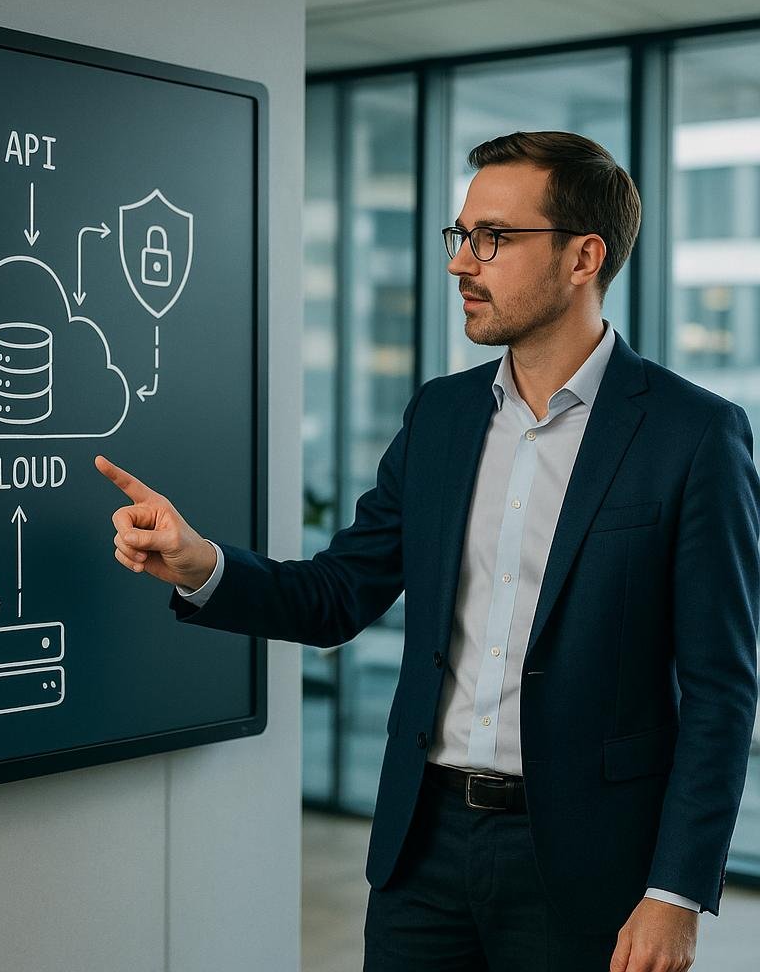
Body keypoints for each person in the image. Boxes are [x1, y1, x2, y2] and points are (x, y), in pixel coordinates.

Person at [94, 130, 760, 972]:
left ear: (583, 256)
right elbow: (339, 593)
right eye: (462, 235)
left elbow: (721, 690)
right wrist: (202, 565)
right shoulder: (440, 417)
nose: (461, 264)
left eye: (494, 239)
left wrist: (676, 892)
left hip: (590, 865)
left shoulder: (692, 433)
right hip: (423, 854)